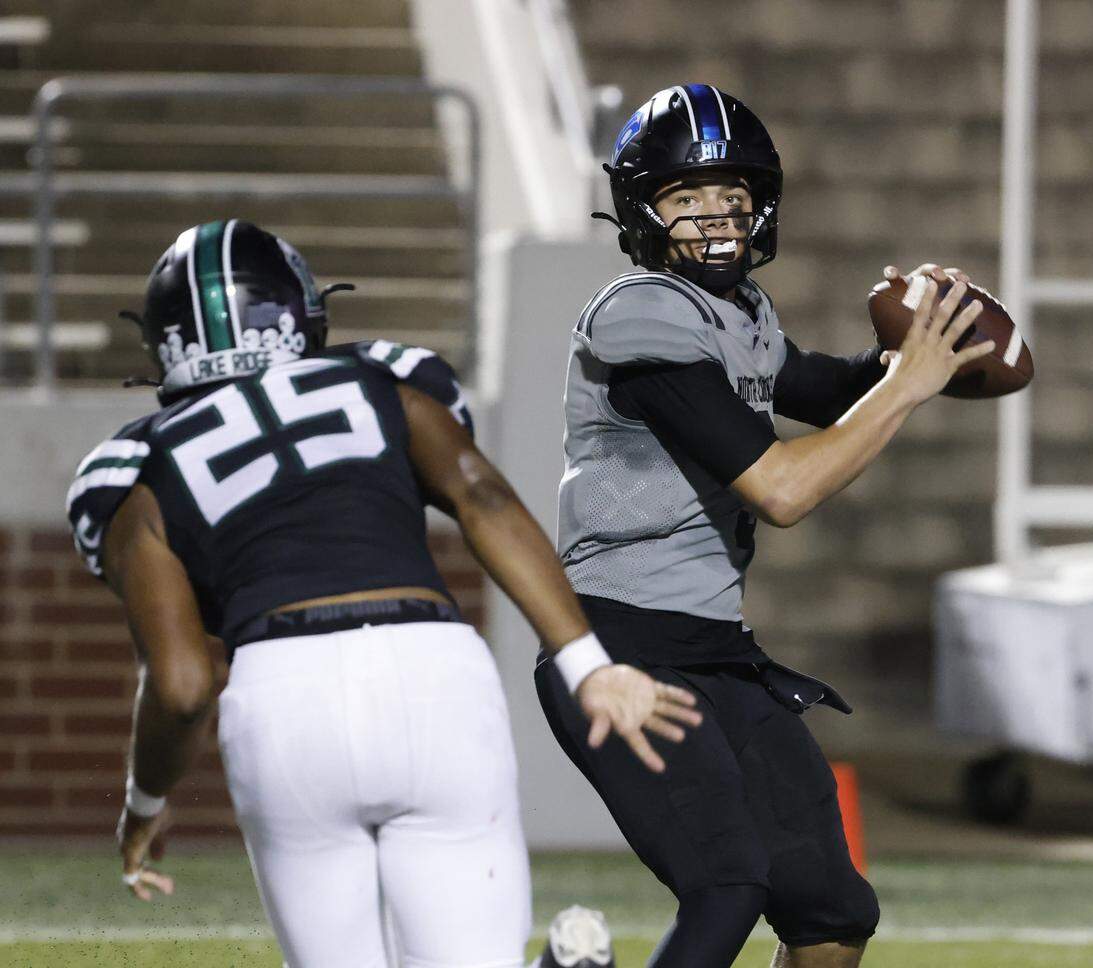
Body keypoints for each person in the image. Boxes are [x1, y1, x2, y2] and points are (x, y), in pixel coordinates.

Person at [65, 220, 701, 968]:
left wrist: (144, 805)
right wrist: (589, 666)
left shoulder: (137, 463)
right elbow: (483, 498)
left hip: (283, 695)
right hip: (431, 669)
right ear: (297, 307)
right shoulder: (378, 379)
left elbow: (180, 684)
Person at [535, 85, 994, 968]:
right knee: (728, 882)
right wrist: (908, 385)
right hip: (623, 650)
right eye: (687, 199)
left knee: (829, 913)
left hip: (717, 654)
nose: (716, 219)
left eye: (732, 198)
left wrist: (921, 342)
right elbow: (779, 488)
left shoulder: (740, 312)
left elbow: (824, 389)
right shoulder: (639, 314)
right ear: (642, 211)